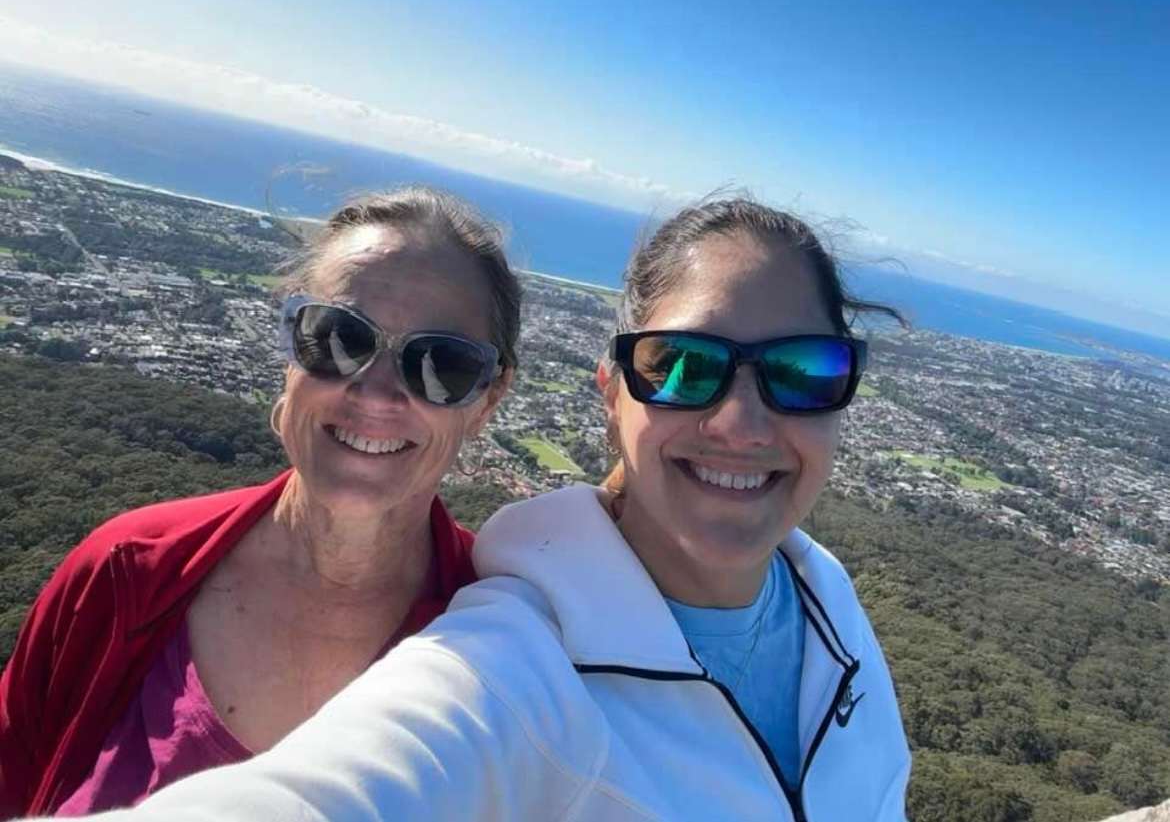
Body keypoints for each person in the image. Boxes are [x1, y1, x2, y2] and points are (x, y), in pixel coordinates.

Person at [49, 196, 911, 822]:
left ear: (490, 395)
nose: (742, 420)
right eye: (682, 364)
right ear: (611, 392)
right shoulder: (507, 660)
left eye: (804, 369)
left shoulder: (828, 602)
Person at [0, 187, 519, 817]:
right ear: (290, 345)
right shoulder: (126, 571)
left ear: (488, 400)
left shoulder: (503, 655)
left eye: (442, 363)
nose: (376, 393)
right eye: (337, 337)